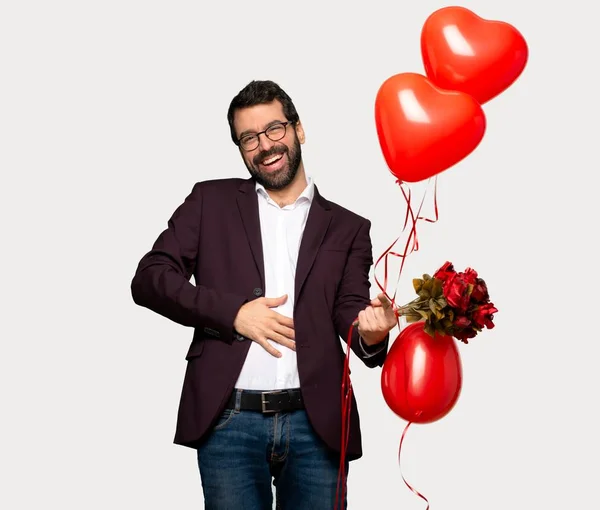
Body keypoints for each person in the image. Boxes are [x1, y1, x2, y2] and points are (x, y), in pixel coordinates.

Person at [130, 79, 397, 509]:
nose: (265, 145)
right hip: (229, 421)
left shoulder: (349, 227)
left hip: (317, 424)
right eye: (249, 138)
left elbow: (348, 310)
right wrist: (233, 313)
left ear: (298, 129)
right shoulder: (208, 202)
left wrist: (372, 332)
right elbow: (149, 278)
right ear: (240, 147)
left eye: (274, 129)